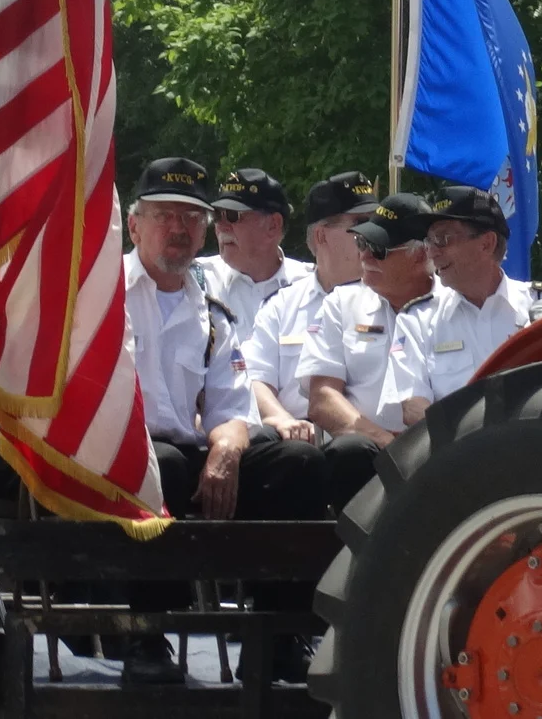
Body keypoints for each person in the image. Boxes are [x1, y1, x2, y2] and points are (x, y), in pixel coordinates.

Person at [120, 157, 329, 687]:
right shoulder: (101, 297)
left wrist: (228, 450)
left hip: (186, 454)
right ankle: (147, 634)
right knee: (161, 464)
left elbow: (232, 411)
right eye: (165, 215)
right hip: (119, 456)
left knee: (297, 462)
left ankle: (279, 635)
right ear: (134, 225)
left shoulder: (211, 313)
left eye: (192, 218)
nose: (180, 230)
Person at [379, 187, 542, 427]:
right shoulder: (418, 319)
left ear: (486, 244)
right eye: (429, 241)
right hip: (458, 458)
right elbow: (411, 406)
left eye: (443, 239)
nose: (432, 252)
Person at [299, 192, 437, 453]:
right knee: (350, 450)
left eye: (378, 249)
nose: (365, 256)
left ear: (420, 255)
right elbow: (322, 398)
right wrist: (388, 446)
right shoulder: (342, 304)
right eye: (362, 243)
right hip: (364, 455)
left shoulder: (454, 309)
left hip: (438, 453)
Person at [242, 172, 375, 441]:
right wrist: (280, 418)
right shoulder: (281, 306)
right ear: (321, 235)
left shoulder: (390, 300)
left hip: (368, 443)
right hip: (298, 446)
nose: (373, 233)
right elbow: (254, 377)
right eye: (361, 223)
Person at [194, 167, 312, 326]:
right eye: (217, 216)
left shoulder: (312, 286)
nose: (221, 227)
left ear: (273, 225)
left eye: (232, 216)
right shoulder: (196, 280)